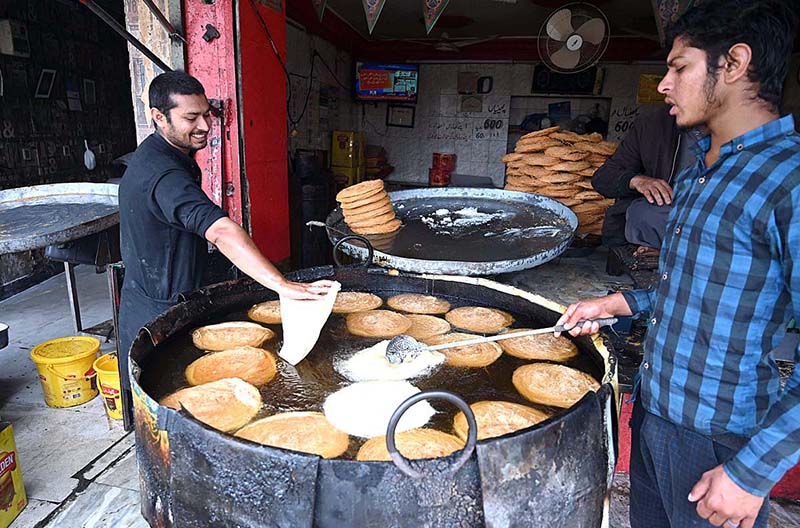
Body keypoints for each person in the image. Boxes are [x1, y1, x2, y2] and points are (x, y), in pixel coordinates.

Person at [557, 2, 799, 527]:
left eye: (679, 66)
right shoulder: (698, 172)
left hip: (719, 438)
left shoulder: (789, 182)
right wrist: (619, 301)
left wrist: (751, 474)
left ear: (733, 63)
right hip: (650, 410)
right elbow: (695, 288)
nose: (664, 84)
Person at [117, 71, 334, 413]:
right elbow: (220, 231)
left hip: (161, 292)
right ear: (159, 117)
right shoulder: (164, 176)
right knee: (171, 416)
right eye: (191, 117)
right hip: (159, 313)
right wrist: (281, 284)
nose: (204, 125)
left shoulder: (167, 154)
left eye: (206, 114)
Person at [592, 106, 701, 253]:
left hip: (710, 225)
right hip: (663, 218)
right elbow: (603, 177)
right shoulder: (653, 124)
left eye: (680, 82)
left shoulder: (735, 131)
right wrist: (636, 180)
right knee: (643, 213)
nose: (665, 89)